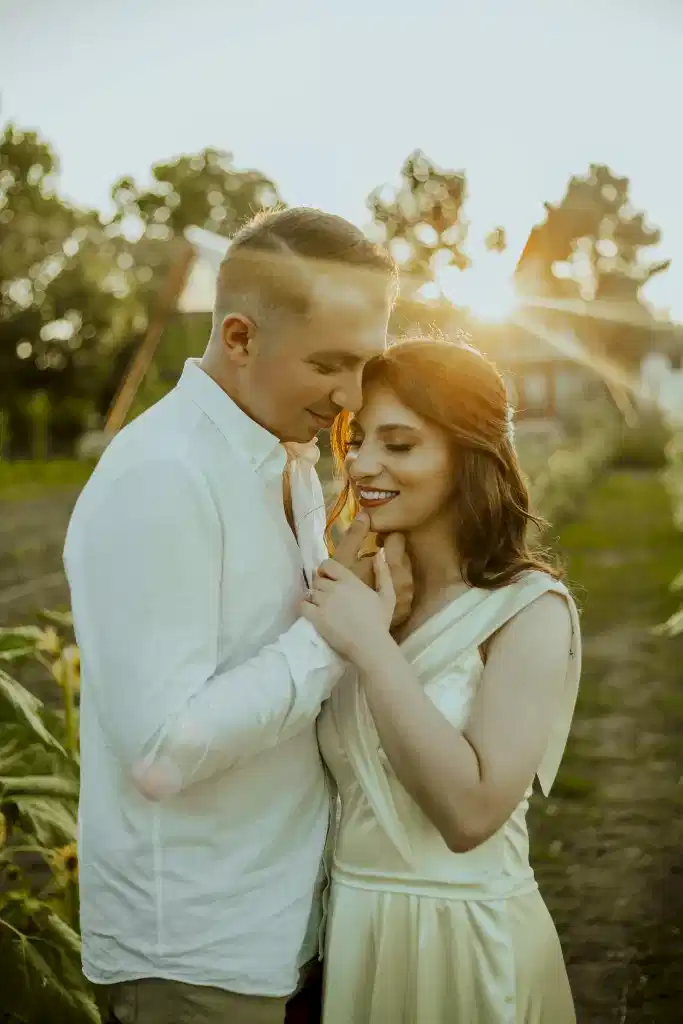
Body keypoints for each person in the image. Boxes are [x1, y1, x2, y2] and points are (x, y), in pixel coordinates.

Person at [63, 207, 411, 1024]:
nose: (351, 396)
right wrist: (334, 636)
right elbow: (162, 747)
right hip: (196, 956)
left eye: (364, 364)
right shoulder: (164, 477)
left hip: (281, 930)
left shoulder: (286, 461)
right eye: (328, 364)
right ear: (239, 337)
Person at [306, 338, 582, 1023]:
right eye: (358, 440)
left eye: (398, 444)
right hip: (353, 935)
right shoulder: (360, 599)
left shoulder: (528, 612)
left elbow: (469, 816)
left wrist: (372, 649)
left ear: (469, 456)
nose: (361, 463)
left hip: (464, 944)